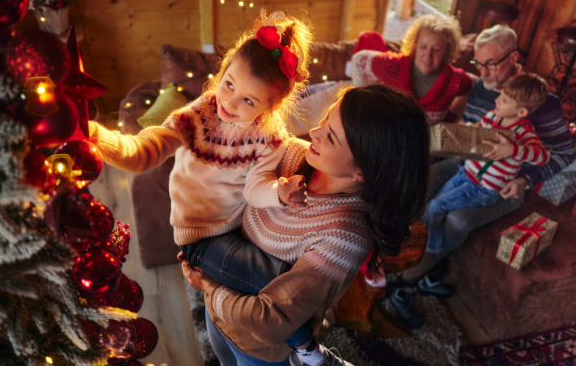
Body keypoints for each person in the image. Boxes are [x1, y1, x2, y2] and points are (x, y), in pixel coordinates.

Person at [87, 8, 339, 363]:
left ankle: (306, 316)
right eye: (229, 84)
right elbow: (144, 152)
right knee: (272, 278)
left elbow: (255, 188)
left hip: (235, 233)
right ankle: (307, 344)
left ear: (271, 106)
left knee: (279, 277)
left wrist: (279, 192)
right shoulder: (200, 114)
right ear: (222, 73)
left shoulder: (269, 139)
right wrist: (96, 136)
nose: (230, 103)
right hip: (197, 240)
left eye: (249, 100)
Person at [180, 85, 432, 366]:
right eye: (325, 119)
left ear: (362, 170)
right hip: (218, 317)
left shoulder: (344, 237)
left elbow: (272, 322)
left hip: (259, 350)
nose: (314, 132)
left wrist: (209, 287)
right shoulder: (292, 155)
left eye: (332, 138)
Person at [391, 24, 576, 317]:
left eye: (490, 65)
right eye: (479, 64)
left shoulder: (541, 103)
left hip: (505, 183)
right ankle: (410, 261)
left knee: (457, 219)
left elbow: (565, 153)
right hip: (470, 166)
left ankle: (407, 282)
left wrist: (526, 179)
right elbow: (475, 136)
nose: (484, 73)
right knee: (418, 185)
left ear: (513, 57)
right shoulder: (481, 87)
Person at [390, 73, 551, 328]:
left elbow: (542, 156)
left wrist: (513, 150)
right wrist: (470, 132)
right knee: (431, 204)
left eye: (505, 99)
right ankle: (419, 250)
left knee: (436, 206)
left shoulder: (524, 134)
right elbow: (479, 131)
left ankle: (430, 250)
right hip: (466, 173)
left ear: (521, 111)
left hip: (483, 189)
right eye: (501, 94)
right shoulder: (493, 116)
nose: (498, 99)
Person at [350, 14, 475, 125]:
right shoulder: (392, 66)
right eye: (423, 47)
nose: (428, 55)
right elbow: (358, 59)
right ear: (414, 45)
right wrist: (365, 103)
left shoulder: (456, 80)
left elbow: (477, 84)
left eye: (437, 49)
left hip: (430, 148)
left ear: (447, 51)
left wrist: (463, 103)